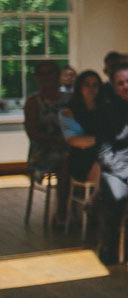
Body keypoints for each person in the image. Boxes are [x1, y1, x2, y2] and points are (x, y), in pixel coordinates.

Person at [93, 62, 128, 263]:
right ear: (113, 87)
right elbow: (104, 153)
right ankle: (109, 245)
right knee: (116, 194)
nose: (126, 86)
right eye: (120, 83)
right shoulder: (106, 111)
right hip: (118, 168)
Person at [24, 59, 70, 222]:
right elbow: (33, 133)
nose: (47, 77)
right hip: (43, 151)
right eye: (42, 74)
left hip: (71, 146)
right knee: (65, 160)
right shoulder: (33, 102)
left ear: (58, 75)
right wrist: (58, 140)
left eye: (50, 73)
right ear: (37, 77)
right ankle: (62, 211)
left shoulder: (68, 98)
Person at [59, 70, 104, 218]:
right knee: (102, 162)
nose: (91, 89)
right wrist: (102, 140)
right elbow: (74, 140)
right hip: (82, 159)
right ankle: (95, 203)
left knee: (108, 160)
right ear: (80, 87)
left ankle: (96, 201)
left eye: (95, 85)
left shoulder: (106, 109)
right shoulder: (69, 111)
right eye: (87, 85)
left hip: (104, 154)